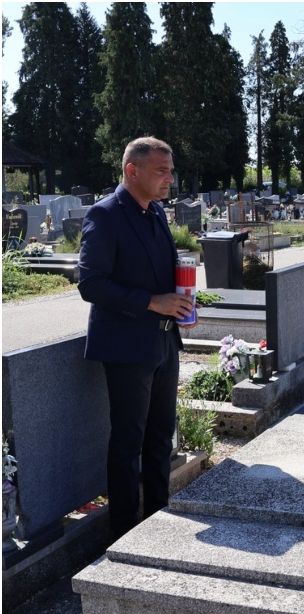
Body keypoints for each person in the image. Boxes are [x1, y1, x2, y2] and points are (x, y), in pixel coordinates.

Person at [78, 137, 197, 540]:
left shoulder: (156, 213)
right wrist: (153, 302)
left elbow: (161, 273)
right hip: (127, 347)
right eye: (161, 171)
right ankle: (126, 532)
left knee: (162, 435)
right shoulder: (105, 215)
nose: (170, 178)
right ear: (132, 171)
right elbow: (91, 284)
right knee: (129, 442)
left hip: (164, 343)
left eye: (170, 169)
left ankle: (158, 517)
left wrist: (182, 301)